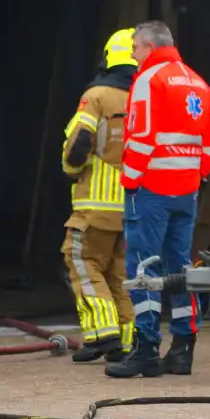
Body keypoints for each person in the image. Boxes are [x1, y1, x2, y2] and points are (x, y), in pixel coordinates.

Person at [105, 20, 210, 378]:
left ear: (149, 47)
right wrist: (194, 175)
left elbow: (140, 137)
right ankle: (183, 350)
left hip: (151, 190)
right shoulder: (198, 83)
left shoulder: (148, 79)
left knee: (143, 269)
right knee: (179, 271)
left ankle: (145, 350)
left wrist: (130, 181)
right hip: (185, 193)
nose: (132, 55)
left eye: (135, 48)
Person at [60, 27, 139, 364]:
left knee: (82, 263)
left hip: (94, 205)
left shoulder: (96, 96)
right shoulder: (145, 96)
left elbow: (78, 145)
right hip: (134, 206)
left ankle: (103, 331)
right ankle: (122, 342)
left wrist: (71, 169)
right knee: (120, 275)